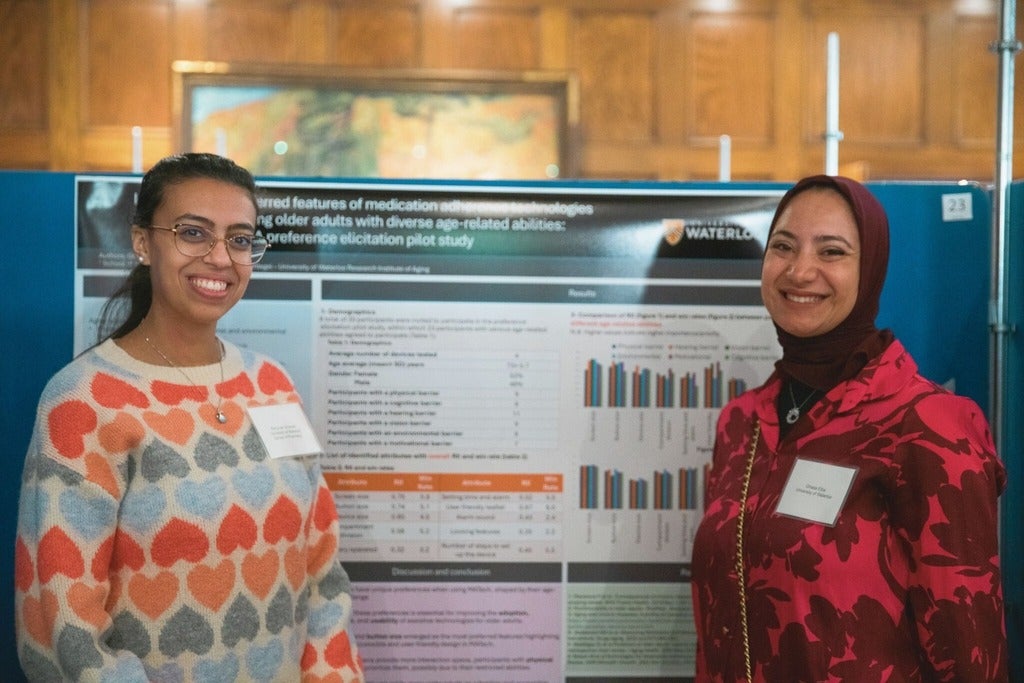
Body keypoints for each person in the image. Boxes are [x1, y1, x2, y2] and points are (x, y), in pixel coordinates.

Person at [14, 153, 365, 682]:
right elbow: (66, 626)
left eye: (240, 239)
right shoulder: (83, 401)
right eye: (193, 233)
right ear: (141, 242)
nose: (220, 257)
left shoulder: (272, 385)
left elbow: (322, 572)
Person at [691, 175, 1008, 681]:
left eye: (832, 251)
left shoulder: (926, 424)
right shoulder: (742, 422)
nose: (800, 271)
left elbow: (970, 656)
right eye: (783, 246)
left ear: (871, 270)